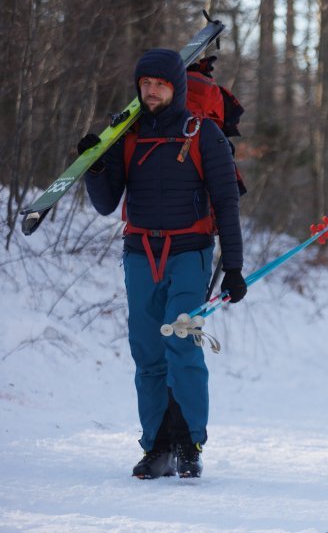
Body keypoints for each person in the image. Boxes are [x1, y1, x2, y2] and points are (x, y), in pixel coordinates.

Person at [79, 48, 247, 479]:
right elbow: (105, 204)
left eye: (159, 84)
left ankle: (189, 443)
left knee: (182, 344)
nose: (151, 92)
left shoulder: (202, 134)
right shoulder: (128, 134)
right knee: (148, 353)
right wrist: (94, 165)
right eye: (145, 85)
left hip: (190, 254)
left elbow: (227, 204)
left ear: (177, 87)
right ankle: (155, 445)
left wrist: (234, 266)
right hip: (139, 255)